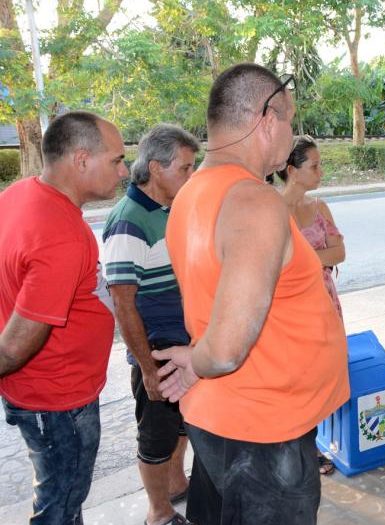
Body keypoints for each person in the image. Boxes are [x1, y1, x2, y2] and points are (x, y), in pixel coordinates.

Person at [153, 63, 350, 525]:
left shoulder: (191, 193)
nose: (292, 133)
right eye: (291, 120)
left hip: (228, 417)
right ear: (268, 119)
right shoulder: (254, 201)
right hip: (263, 430)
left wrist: (198, 362)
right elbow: (224, 350)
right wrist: (197, 361)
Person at [0, 111, 127, 524]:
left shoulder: (19, 194)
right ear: (81, 159)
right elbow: (16, 346)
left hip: (37, 394)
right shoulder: (61, 234)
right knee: (60, 505)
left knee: (58, 497)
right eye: (116, 160)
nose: (124, 171)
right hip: (57, 401)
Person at [102, 124, 200, 525]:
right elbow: (123, 306)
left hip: (185, 347)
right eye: (185, 168)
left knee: (183, 424)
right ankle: (158, 512)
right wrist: (147, 368)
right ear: (156, 169)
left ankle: (176, 485)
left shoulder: (171, 210)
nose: (191, 177)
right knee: (156, 436)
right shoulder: (128, 221)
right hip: (157, 351)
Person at [271, 135, 345, 476]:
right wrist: (316, 260)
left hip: (324, 302)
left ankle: (311, 446)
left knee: (318, 376)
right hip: (288, 310)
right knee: (293, 380)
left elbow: (339, 253)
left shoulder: (319, 207)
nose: (320, 171)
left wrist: (301, 261)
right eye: (313, 165)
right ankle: (293, 448)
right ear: (291, 170)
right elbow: (272, 266)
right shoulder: (271, 212)